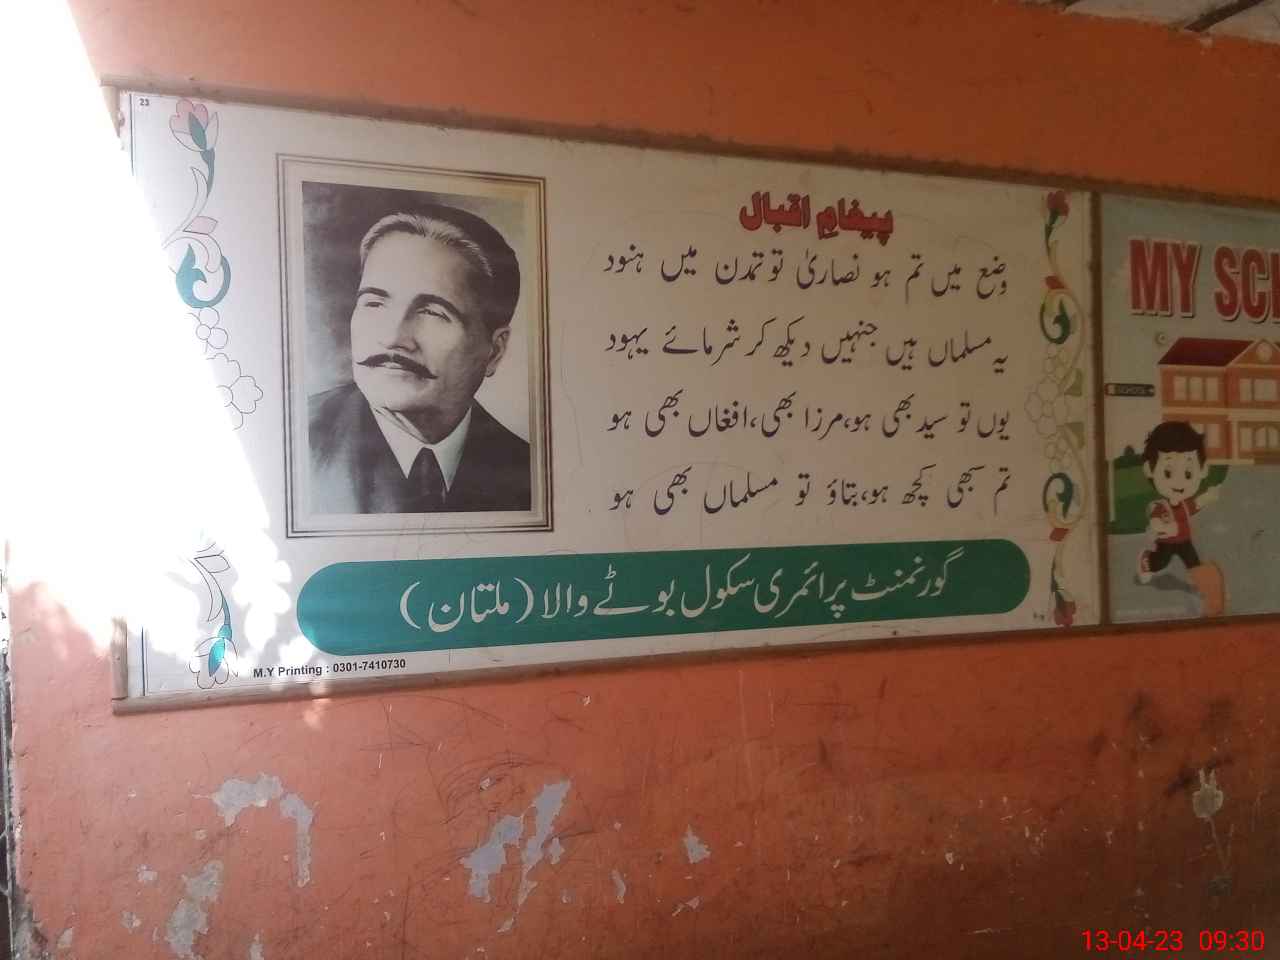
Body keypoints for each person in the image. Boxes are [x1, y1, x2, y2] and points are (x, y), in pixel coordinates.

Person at [308, 205, 531, 514]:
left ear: (494, 351)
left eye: (432, 312)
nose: (393, 338)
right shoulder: (294, 442)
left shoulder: (527, 471)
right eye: (374, 303)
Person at [1136, 420, 1219, 584]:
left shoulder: (1184, 505)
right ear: (1150, 470)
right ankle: (1147, 560)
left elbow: (1196, 504)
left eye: (1188, 473)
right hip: (1166, 543)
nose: (1179, 482)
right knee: (1160, 562)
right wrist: (1165, 527)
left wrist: (1208, 496)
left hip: (1185, 540)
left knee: (1192, 560)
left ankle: (1199, 579)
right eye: (1168, 473)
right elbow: (1155, 523)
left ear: (1202, 471)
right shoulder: (1161, 506)